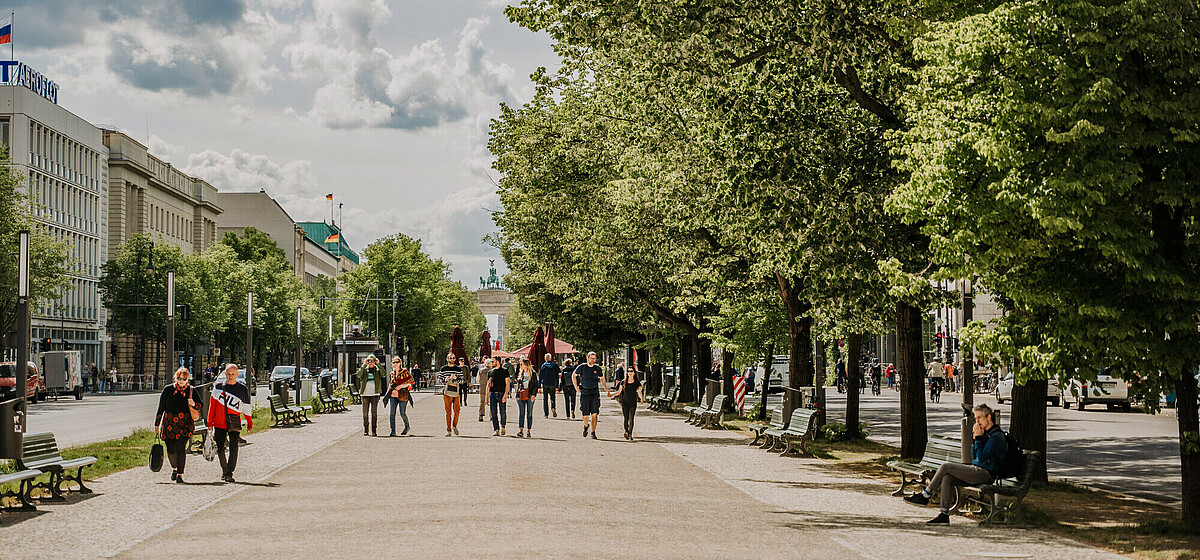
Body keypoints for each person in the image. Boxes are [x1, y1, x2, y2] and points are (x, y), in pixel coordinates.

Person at [905, 404, 1007, 524]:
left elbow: (982, 458)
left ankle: (926, 495)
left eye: (979, 418)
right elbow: (974, 457)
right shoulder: (984, 434)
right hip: (977, 470)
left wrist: (978, 439)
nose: (977, 421)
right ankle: (944, 514)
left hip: (987, 474)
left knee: (945, 466)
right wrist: (975, 440)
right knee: (947, 478)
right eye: (975, 418)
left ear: (988, 417)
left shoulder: (996, 436)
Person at [155, 367, 200, 483]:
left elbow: (201, 404)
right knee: (170, 449)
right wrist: (157, 424)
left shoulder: (191, 390)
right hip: (169, 424)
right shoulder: (168, 390)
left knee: (181, 448)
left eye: (184, 379)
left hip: (185, 424)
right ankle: (174, 468)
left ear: (187, 379)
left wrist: (194, 403)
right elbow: (161, 407)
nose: (181, 381)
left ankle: (180, 474)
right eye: (179, 378)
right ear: (176, 378)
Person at [209, 363, 253, 483]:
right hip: (219, 423)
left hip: (234, 422)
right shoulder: (217, 387)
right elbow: (212, 407)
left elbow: (246, 408)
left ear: (237, 374)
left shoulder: (242, 389)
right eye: (228, 374)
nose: (230, 376)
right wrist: (210, 423)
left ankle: (229, 472)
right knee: (220, 448)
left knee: (234, 447)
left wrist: (249, 422)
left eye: (233, 374)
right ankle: (224, 469)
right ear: (225, 374)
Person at [573, 352, 610, 439]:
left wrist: (605, 388)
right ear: (587, 358)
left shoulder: (597, 368)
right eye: (591, 358)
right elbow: (573, 375)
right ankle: (586, 426)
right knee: (585, 414)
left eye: (594, 358)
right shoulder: (582, 367)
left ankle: (593, 432)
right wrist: (576, 387)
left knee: (594, 413)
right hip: (585, 393)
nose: (593, 360)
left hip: (594, 393)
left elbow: (602, 378)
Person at [612, 365, 643, 440]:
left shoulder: (636, 382)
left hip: (633, 403)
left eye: (631, 371)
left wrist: (641, 399)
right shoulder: (623, 382)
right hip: (625, 403)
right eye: (628, 371)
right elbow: (619, 392)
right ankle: (626, 431)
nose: (630, 373)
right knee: (626, 418)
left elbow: (639, 391)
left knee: (631, 418)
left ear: (634, 373)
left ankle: (630, 434)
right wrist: (611, 394)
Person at [356, 355, 385, 436]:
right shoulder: (364, 369)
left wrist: (379, 364)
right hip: (365, 394)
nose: (371, 363)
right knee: (365, 413)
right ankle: (366, 429)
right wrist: (364, 365)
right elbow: (358, 375)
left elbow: (384, 374)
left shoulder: (377, 369)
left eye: (373, 361)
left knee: (374, 412)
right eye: (369, 361)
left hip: (375, 394)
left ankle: (374, 430)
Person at [384, 357, 414, 436]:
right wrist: (387, 394)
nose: (395, 364)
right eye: (393, 362)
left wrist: (400, 386)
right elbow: (391, 384)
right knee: (392, 413)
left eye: (397, 362)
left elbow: (410, 383)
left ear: (400, 363)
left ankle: (407, 426)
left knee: (402, 413)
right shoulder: (392, 374)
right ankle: (393, 431)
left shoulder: (405, 372)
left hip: (403, 395)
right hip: (393, 395)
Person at [439, 353, 465, 436]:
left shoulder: (458, 369)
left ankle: (454, 425)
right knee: (448, 412)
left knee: (457, 411)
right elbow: (439, 379)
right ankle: (448, 429)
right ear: (447, 359)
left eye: (453, 358)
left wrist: (456, 378)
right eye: (450, 358)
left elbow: (462, 380)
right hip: (447, 392)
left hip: (456, 392)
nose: (452, 359)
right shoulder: (443, 368)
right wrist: (445, 380)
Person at [486, 357, 511, 436]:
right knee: (493, 413)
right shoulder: (490, 372)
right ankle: (496, 429)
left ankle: (503, 426)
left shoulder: (504, 371)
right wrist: (486, 398)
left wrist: (505, 395)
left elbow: (508, 383)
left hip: (501, 393)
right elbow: (488, 386)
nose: (492, 363)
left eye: (493, 361)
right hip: (493, 394)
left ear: (497, 362)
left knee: (502, 412)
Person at [515, 358, 539, 438]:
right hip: (521, 395)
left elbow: (536, 385)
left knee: (529, 414)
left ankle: (528, 430)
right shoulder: (520, 374)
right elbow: (518, 386)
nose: (520, 366)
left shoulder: (532, 374)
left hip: (530, 394)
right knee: (521, 413)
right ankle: (521, 430)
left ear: (526, 365)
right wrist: (517, 395)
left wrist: (534, 395)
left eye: (521, 364)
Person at [538, 354, 560, 418]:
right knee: (552, 397)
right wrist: (557, 385)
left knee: (545, 399)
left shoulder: (543, 365)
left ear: (545, 359)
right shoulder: (554, 365)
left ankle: (546, 413)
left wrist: (539, 385)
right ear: (550, 358)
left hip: (545, 383)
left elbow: (540, 376)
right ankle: (553, 407)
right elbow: (557, 375)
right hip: (552, 383)